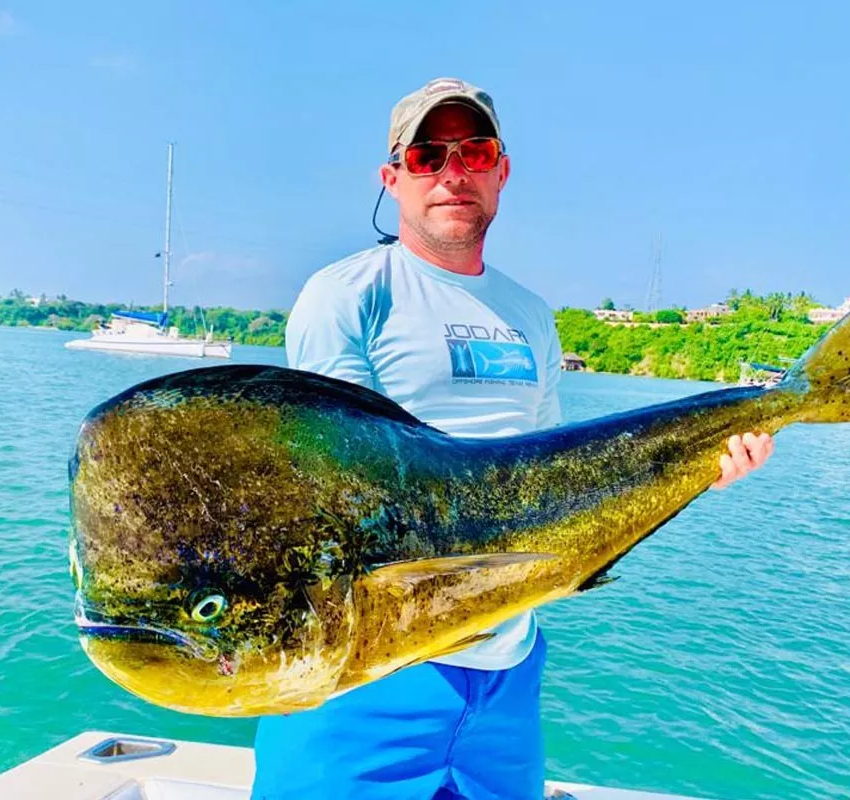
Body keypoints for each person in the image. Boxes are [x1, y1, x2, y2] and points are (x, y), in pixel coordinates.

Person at [251, 77, 773, 800]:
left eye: (475, 150)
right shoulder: (347, 296)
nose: (453, 172)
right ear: (393, 178)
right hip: (371, 674)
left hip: (508, 670)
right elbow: (335, 488)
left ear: (502, 169)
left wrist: (697, 468)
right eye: (429, 155)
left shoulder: (530, 314)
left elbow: (560, 483)